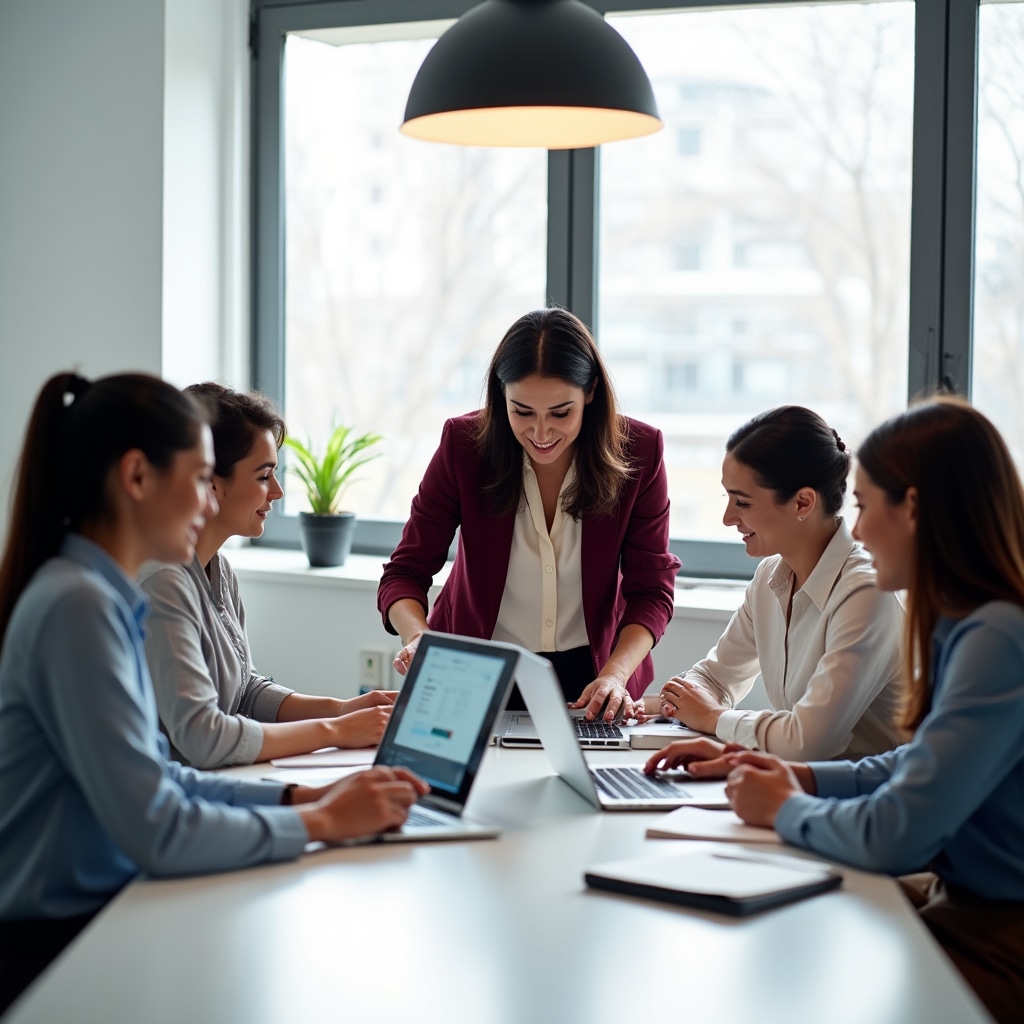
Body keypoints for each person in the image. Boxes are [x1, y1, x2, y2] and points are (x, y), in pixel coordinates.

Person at [0, 372, 427, 1014]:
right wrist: (320, 822)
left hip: (101, 912)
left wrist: (305, 794)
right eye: (202, 480)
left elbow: (164, 775)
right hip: (57, 948)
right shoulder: (77, 608)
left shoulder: (98, 597)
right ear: (138, 477)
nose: (208, 504)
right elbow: (159, 826)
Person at [648, 397, 1024, 1023]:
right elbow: (914, 762)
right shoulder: (965, 622)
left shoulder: (995, 638)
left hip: (997, 929)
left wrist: (789, 806)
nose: (863, 530)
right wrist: (799, 779)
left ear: (918, 512)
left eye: (867, 507)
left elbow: (897, 833)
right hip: (958, 901)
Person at [378, 308, 681, 722]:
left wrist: (616, 674)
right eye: (522, 411)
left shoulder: (641, 452)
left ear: (590, 392)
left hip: (594, 676)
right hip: (474, 667)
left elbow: (651, 591)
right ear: (501, 395)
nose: (541, 433)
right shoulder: (463, 447)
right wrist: (419, 638)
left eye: (561, 413)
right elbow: (405, 572)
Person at [139, 383, 394, 769]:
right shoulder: (163, 583)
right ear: (211, 482)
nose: (276, 492)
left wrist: (343, 709)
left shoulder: (218, 569)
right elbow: (203, 738)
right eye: (263, 477)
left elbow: (244, 693)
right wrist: (334, 731)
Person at [653, 406, 903, 760]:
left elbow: (808, 740)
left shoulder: (866, 594)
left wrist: (713, 718)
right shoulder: (771, 577)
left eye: (742, 502)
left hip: (868, 803)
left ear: (803, 502)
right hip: (801, 787)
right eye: (728, 498)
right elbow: (716, 678)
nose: (727, 518)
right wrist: (658, 705)